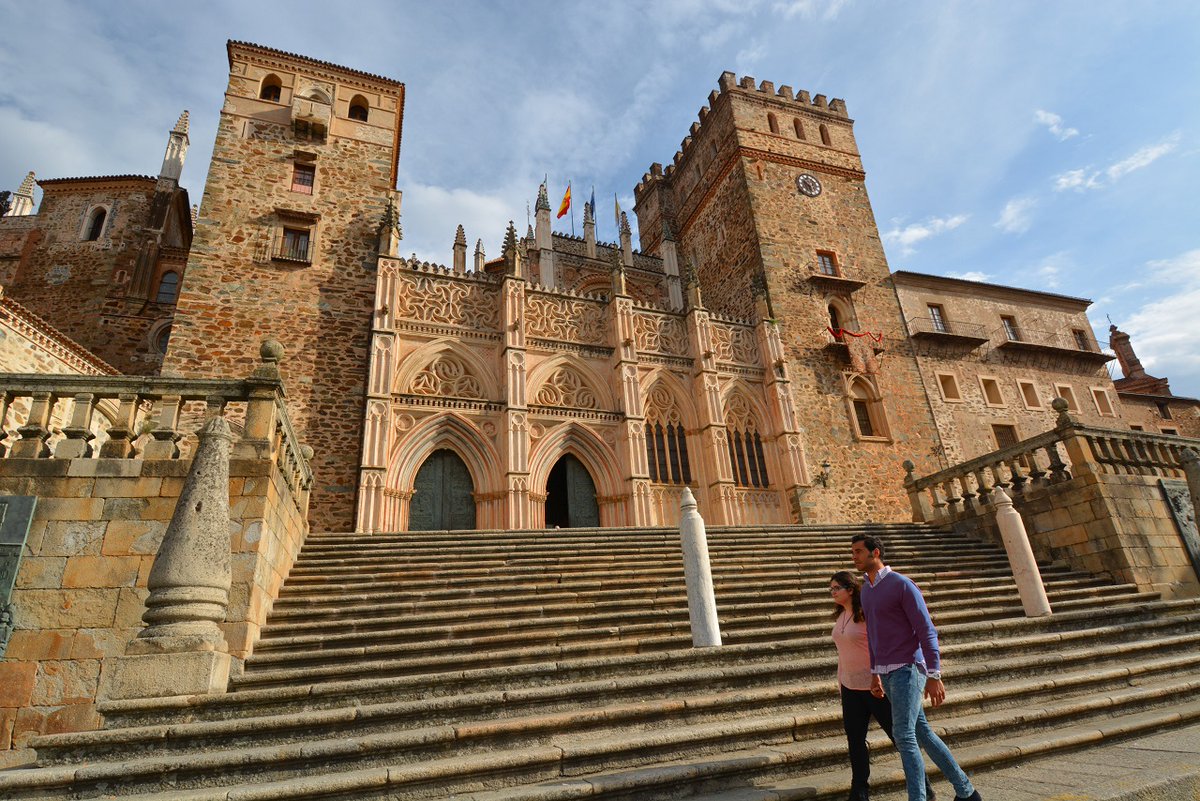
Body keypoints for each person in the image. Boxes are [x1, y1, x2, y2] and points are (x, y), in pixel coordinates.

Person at [852, 534, 981, 801]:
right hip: (886, 673)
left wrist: (934, 673)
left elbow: (926, 630)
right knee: (922, 732)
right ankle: (966, 792)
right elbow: (873, 636)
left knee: (904, 735)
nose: (854, 556)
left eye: (858, 551)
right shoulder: (866, 590)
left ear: (875, 553)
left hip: (909, 668)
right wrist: (875, 672)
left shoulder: (902, 584)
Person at [830, 570, 934, 801]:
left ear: (850, 589)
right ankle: (859, 791)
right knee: (855, 740)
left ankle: (924, 788)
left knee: (900, 738)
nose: (833, 592)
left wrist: (881, 676)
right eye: (831, 589)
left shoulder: (867, 614)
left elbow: (880, 644)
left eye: (837, 588)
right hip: (850, 686)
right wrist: (841, 682)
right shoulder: (840, 616)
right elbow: (843, 653)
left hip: (876, 684)